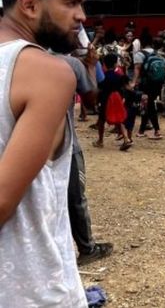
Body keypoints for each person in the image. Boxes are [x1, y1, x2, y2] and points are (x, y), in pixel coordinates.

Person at [0, 0, 88, 306]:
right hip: (30, 286)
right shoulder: (48, 72)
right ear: (30, 4)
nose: (81, 15)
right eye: (70, 3)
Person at [59, 47, 114, 266]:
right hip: (65, 147)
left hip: (20, 148)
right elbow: (92, 99)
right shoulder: (69, 64)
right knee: (75, 199)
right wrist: (90, 65)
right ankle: (87, 248)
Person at [94, 53, 133, 151]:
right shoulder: (119, 76)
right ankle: (126, 138)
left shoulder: (103, 77)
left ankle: (100, 141)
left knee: (102, 120)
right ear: (116, 64)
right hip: (117, 99)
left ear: (104, 65)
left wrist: (96, 101)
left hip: (105, 99)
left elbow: (99, 89)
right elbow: (127, 87)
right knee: (119, 119)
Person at [133, 35, 165, 140]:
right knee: (148, 105)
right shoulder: (157, 53)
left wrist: (134, 82)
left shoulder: (139, 54)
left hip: (146, 84)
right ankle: (143, 130)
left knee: (148, 106)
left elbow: (137, 69)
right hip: (157, 83)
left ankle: (156, 130)